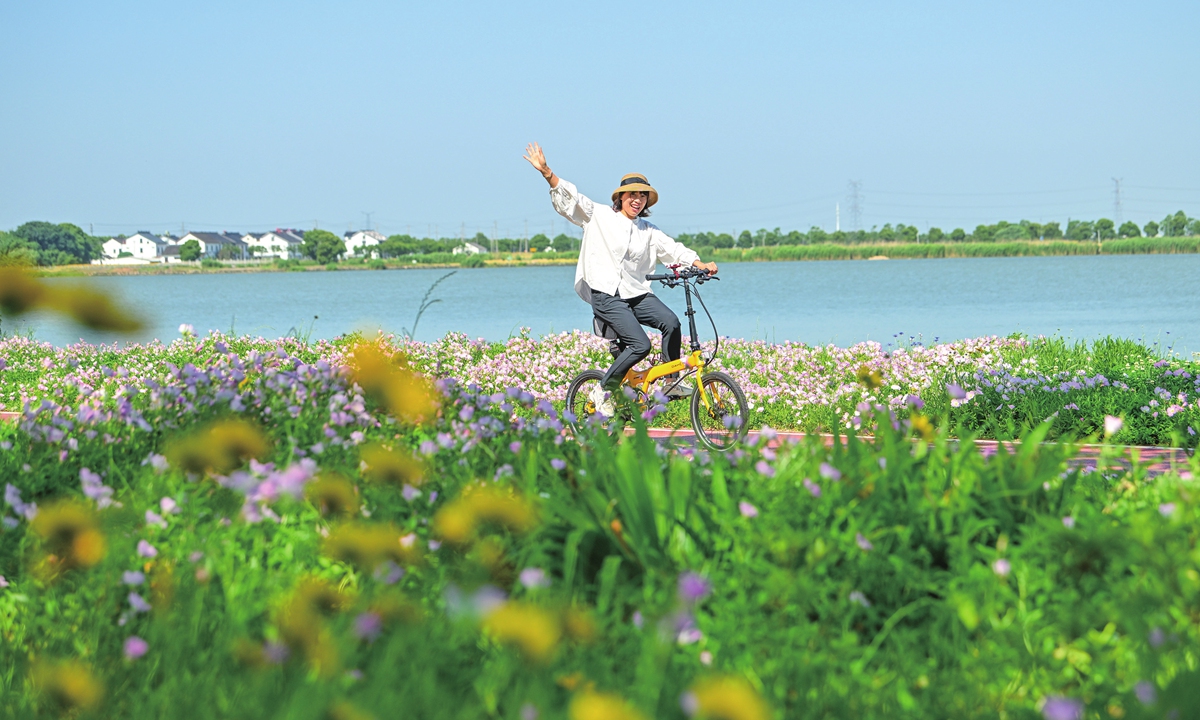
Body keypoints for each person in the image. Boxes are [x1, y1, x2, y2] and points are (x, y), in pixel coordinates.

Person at [522, 142, 718, 416]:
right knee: (640, 344)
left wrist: (700, 264)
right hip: (606, 295)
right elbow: (573, 200)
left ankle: (671, 383)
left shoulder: (648, 230)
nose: (637, 200)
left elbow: (673, 250)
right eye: (632, 195)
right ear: (621, 197)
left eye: (643, 196)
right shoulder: (599, 215)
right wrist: (546, 172)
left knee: (671, 322)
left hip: (635, 294)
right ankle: (603, 389)